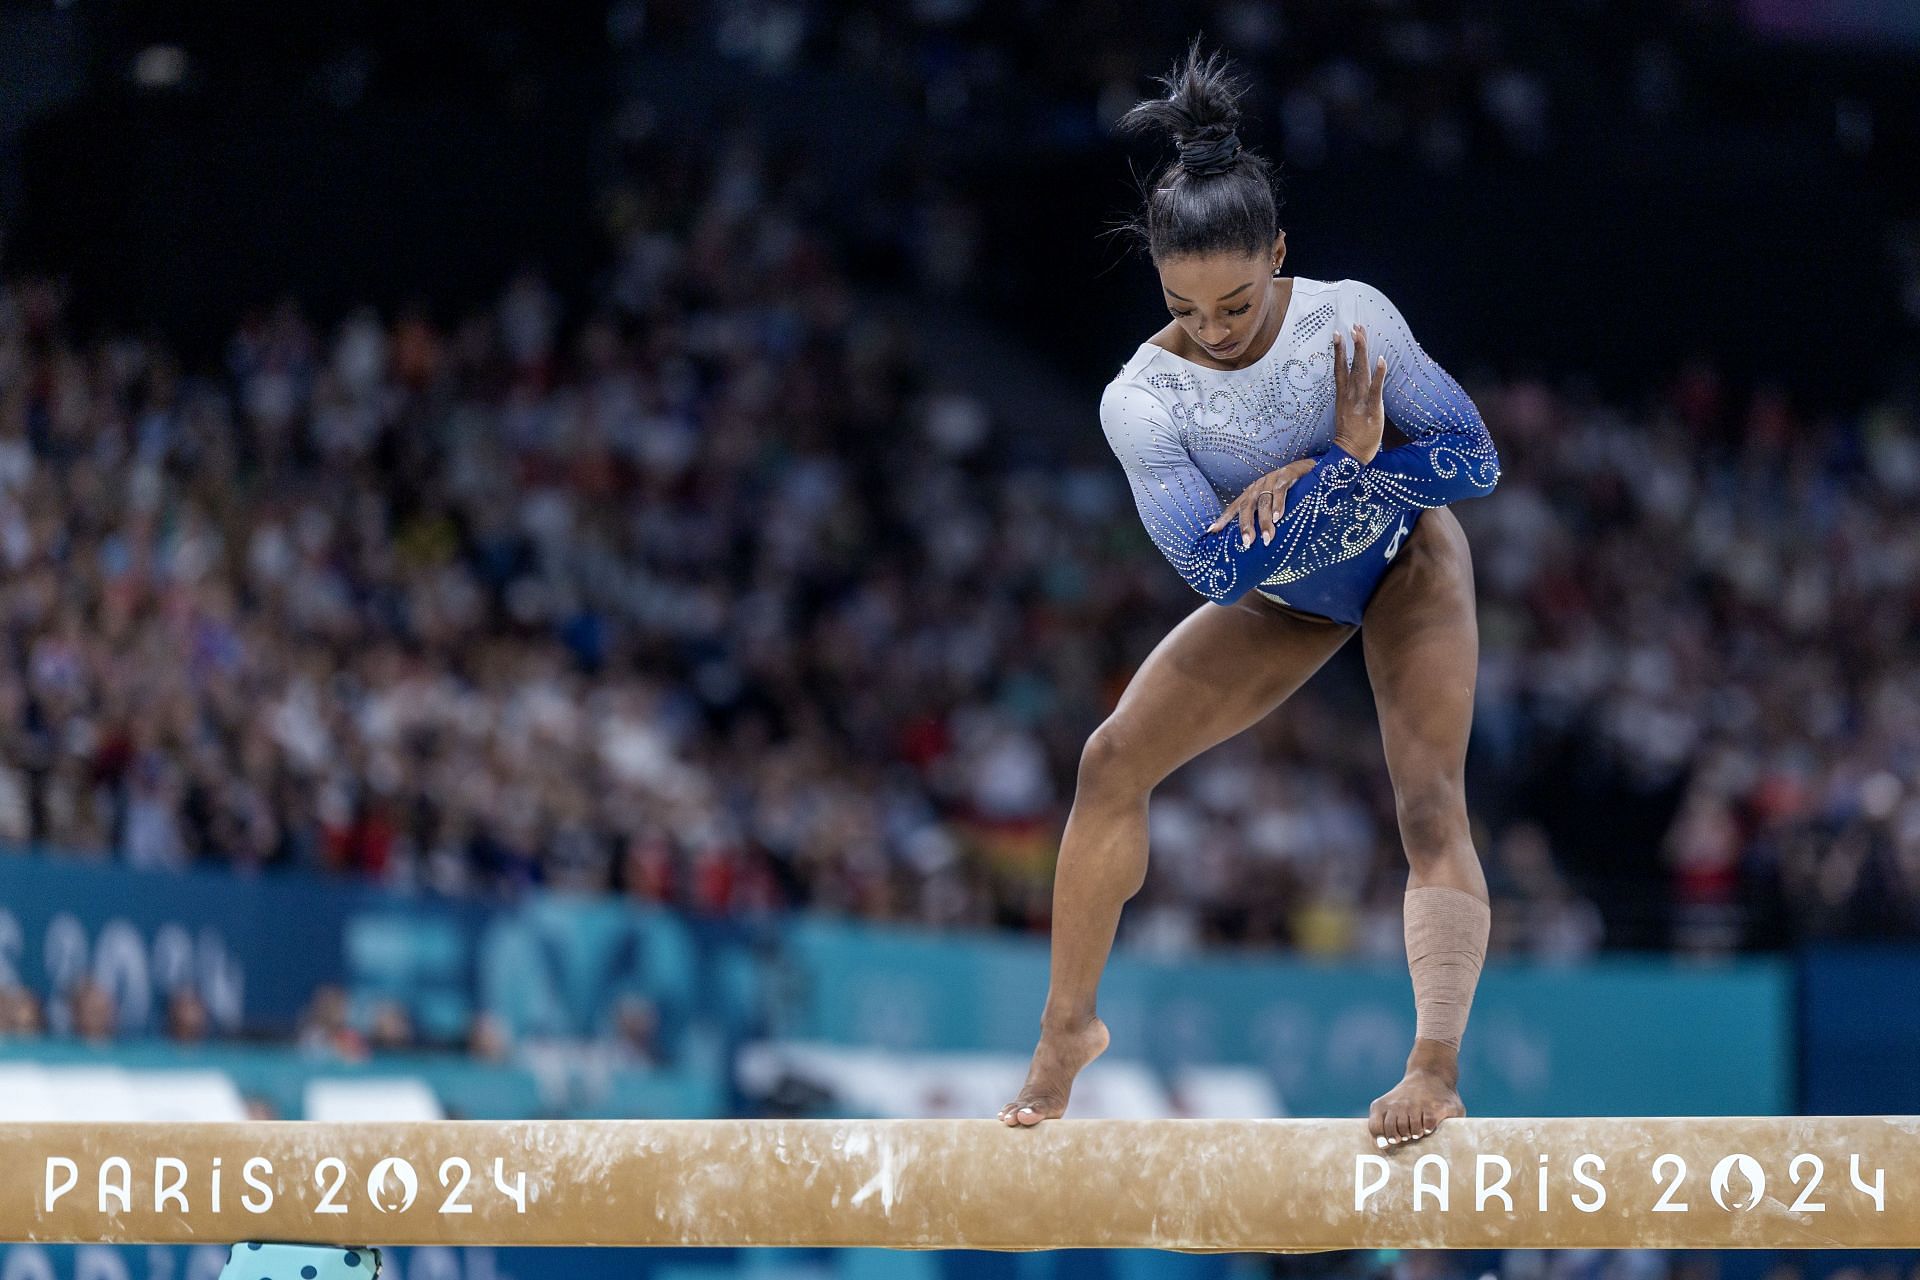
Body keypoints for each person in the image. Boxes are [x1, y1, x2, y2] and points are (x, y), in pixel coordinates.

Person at [997, 43, 1501, 1148]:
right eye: (1188, 305)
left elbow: (1472, 461)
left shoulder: (1348, 319)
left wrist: (1355, 470)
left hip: (1411, 554)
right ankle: (1068, 1025)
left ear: (1280, 252)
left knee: (1428, 805)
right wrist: (1337, 462)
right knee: (1109, 760)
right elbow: (1218, 570)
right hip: (1289, 597)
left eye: (1237, 299)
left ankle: (1435, 1063)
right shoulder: (1144, 400)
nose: (1217, 328)